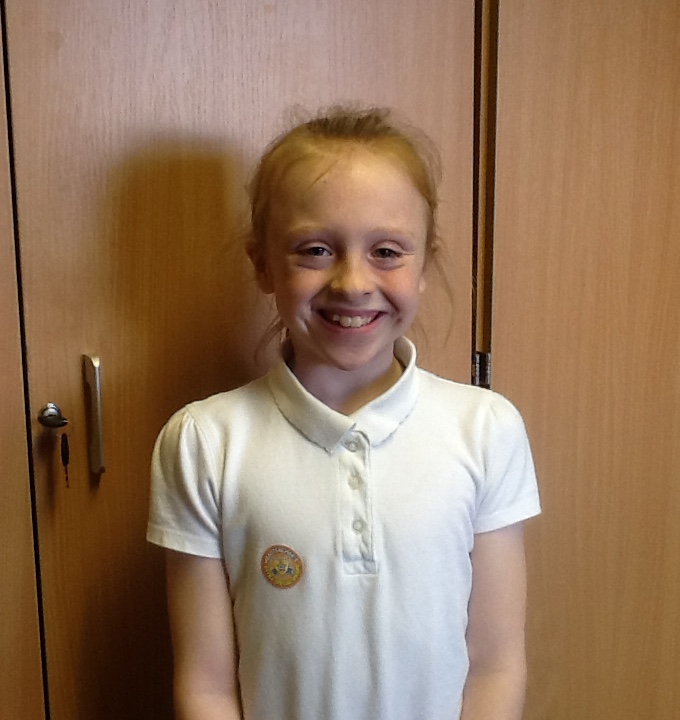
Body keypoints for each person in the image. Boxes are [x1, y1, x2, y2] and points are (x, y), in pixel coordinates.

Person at [147, 107, 541, 720]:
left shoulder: (486, 430)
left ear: (424, 264)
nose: (353, 282)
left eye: (386, 251)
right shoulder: (204, 442)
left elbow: (495, 665)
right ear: (262, 265)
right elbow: (206, 686)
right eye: (315, 250)